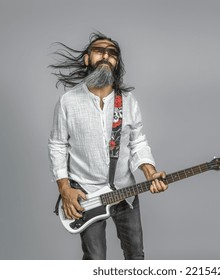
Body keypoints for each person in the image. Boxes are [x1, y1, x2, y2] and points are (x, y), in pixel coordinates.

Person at [48, 32, 168, 260]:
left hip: (125, 190)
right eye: (99, 50)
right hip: (87, 194)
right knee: (95, 261)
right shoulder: (68, 101)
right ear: (87, 59)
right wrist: (64, 189)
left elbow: (138, 142)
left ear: (116, 63)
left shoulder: (128, 101)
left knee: (136, 256)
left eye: (112, 53)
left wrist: (150, 173)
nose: (105, 55)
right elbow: (57, 145)